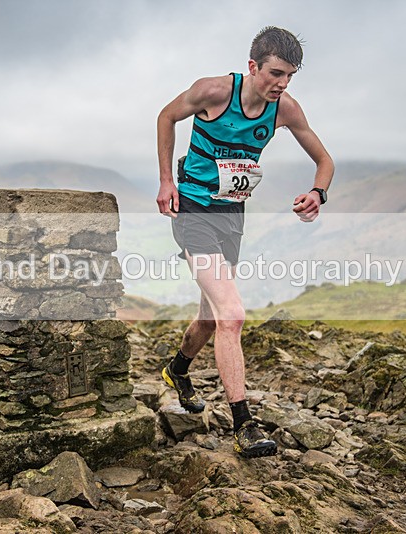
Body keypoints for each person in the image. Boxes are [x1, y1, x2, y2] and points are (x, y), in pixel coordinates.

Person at [156, 27, 334, 458]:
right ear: (253, 66)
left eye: (290, 76)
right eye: (276, 73)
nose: (282, 84)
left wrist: (318, 193)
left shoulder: (285, 109)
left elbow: (324, 160)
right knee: (233, 315)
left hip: (230, 218)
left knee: (212, 319)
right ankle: (244, 425)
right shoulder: (213, 91)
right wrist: (166, 181)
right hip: (192, 212)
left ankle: (176, 371)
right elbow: (166, 117)